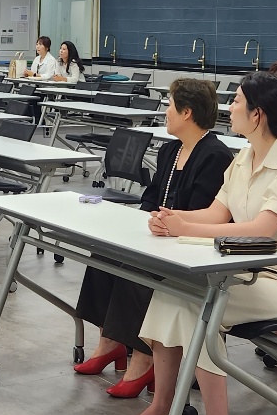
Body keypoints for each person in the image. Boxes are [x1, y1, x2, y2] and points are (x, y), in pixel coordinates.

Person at [117, 72, 277, 415]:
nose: (229, 107)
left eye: (237, 102)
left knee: (203, 306)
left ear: (257, 114)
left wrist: (185, 229)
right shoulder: (244, 157)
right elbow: (218, 213)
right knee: (172, 291)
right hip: (248, 269)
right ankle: (162, 406)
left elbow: (262, 229)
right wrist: (174, 217)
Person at [75, 78, 234, 397]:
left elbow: (203, 211)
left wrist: (167, 223)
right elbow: (151, 196)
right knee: (105, 254)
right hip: (161, 234)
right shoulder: (170, 150)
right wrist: (149, 218)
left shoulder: (214, 155)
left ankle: (143, 358)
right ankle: (110, 342)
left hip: (189, 244)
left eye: (170, 106)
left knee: (138, 270)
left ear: (187, 112)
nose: (165, 112)